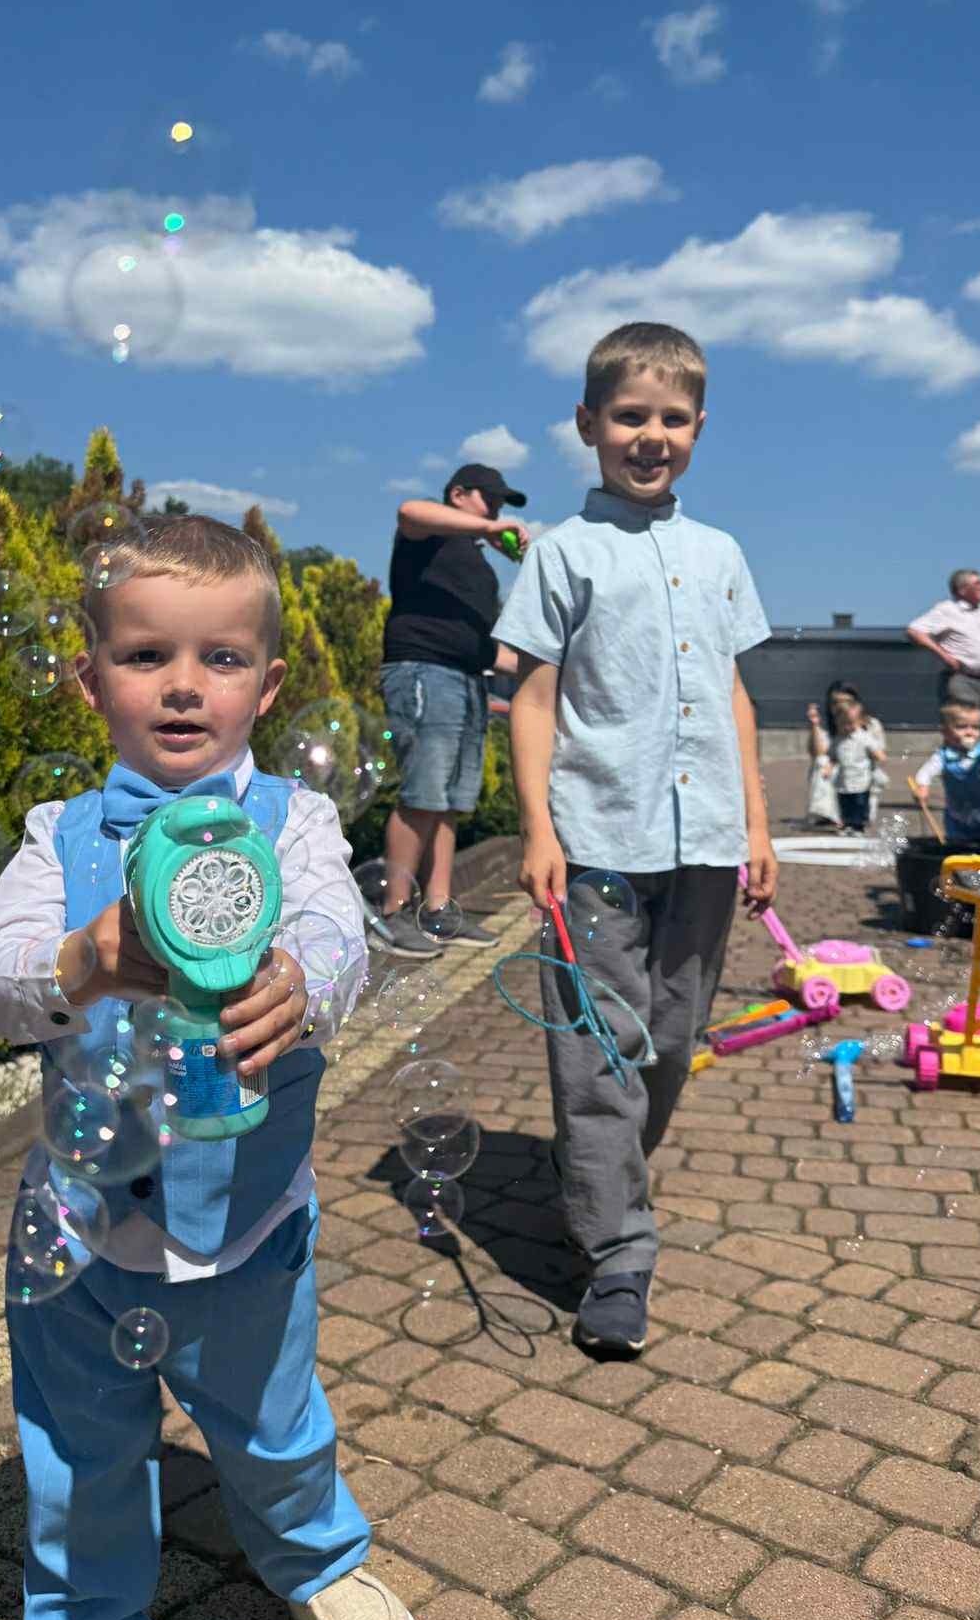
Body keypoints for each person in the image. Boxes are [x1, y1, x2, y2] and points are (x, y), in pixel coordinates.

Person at [0, 516, 417, 1620]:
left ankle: (320, 1562)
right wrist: (83, 958)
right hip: (82, 1232)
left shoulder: (295, 823)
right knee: (77, 1453)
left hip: (251, 1224)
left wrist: (304, 979)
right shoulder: (59, 837)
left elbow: (336, 927)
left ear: (266, 687)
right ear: (89, 679)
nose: (181, 684)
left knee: (274, 1424)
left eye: (219, 658)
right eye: (145, 653)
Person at [495, 321, 778, 1359]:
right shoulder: (562, 552)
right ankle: (617, 1252)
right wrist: (538, 827)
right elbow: (533, 694)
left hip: (705, 841)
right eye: (628, 415)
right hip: (598, 838)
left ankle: (610, 1175)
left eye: (671, 417)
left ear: (699, 427)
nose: (649, 435)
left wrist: (756, 818)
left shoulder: (720, 554)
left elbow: (734, 694)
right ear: (588, 423)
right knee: (598, 1048)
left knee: (669, 1039)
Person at [375, 463, 526, 957]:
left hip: (467, 680)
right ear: (459, 494)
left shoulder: (476, 564)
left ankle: (438, 910)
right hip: (424, 672)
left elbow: (486, 649)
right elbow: (406, 510)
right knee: (422, 793)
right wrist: (487, 527)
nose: (497, 512)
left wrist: (552, 668)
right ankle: (392, 912)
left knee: (451, 801)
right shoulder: (428, 533)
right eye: (491, 500)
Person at [906, 569, 980, 748]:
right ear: (962, 590)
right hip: (962, 679)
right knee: (964, 733)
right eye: (977, 584)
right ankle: (962, 773)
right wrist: (944, 656)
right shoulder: (947, 610)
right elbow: (915, 630)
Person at [913, 701, 980, 850]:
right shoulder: (943, 756)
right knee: (958, 849)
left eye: (975, 727)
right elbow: (925, 772)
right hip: (957, 815)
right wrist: (923, 786)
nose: (969, 732)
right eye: (961, 727)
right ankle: (961, 871)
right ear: (945, 732)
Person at [806, 682, 886, 834]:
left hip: (862, 777)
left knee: (859, 802)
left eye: (847, 702)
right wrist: (815, 725)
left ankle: (858, 822)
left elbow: (879, 753)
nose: (840, 707)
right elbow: (819, 753)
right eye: (835, 703)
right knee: (823, 764)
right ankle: (833, 815)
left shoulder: (870, 727)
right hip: (842, 778)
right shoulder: (833, 732)